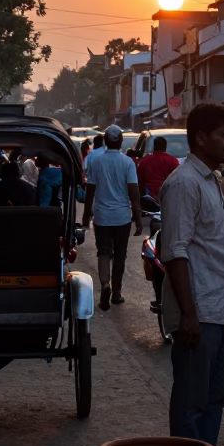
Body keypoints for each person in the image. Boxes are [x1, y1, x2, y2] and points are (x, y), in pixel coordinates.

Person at [160, 103, 224, 446]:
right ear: (200, 138)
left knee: (215, 399)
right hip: (201, 313)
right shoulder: (184, 183)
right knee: (192, 403)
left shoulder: (211, 179)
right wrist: (189, 315)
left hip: (221, 309)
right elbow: (174, 252)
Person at [82, 125, 142, 311]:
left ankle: (105, 285)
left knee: (104, 253)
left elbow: (90, 190)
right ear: (121, 141)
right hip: (122, 217)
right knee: (120, 256)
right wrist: (138, 218)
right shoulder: (128, 163)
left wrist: (86, 214)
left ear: (106, 141)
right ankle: (116, 292)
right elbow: (134, 192)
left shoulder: (96, 161)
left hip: (101, 216)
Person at [137, 135, 179, 199]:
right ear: (165, 147)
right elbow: (177, 181)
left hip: (149, 196)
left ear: (154, 146)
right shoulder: (173, 161)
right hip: (167, 196)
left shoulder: (145, 160)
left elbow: (139, 181)